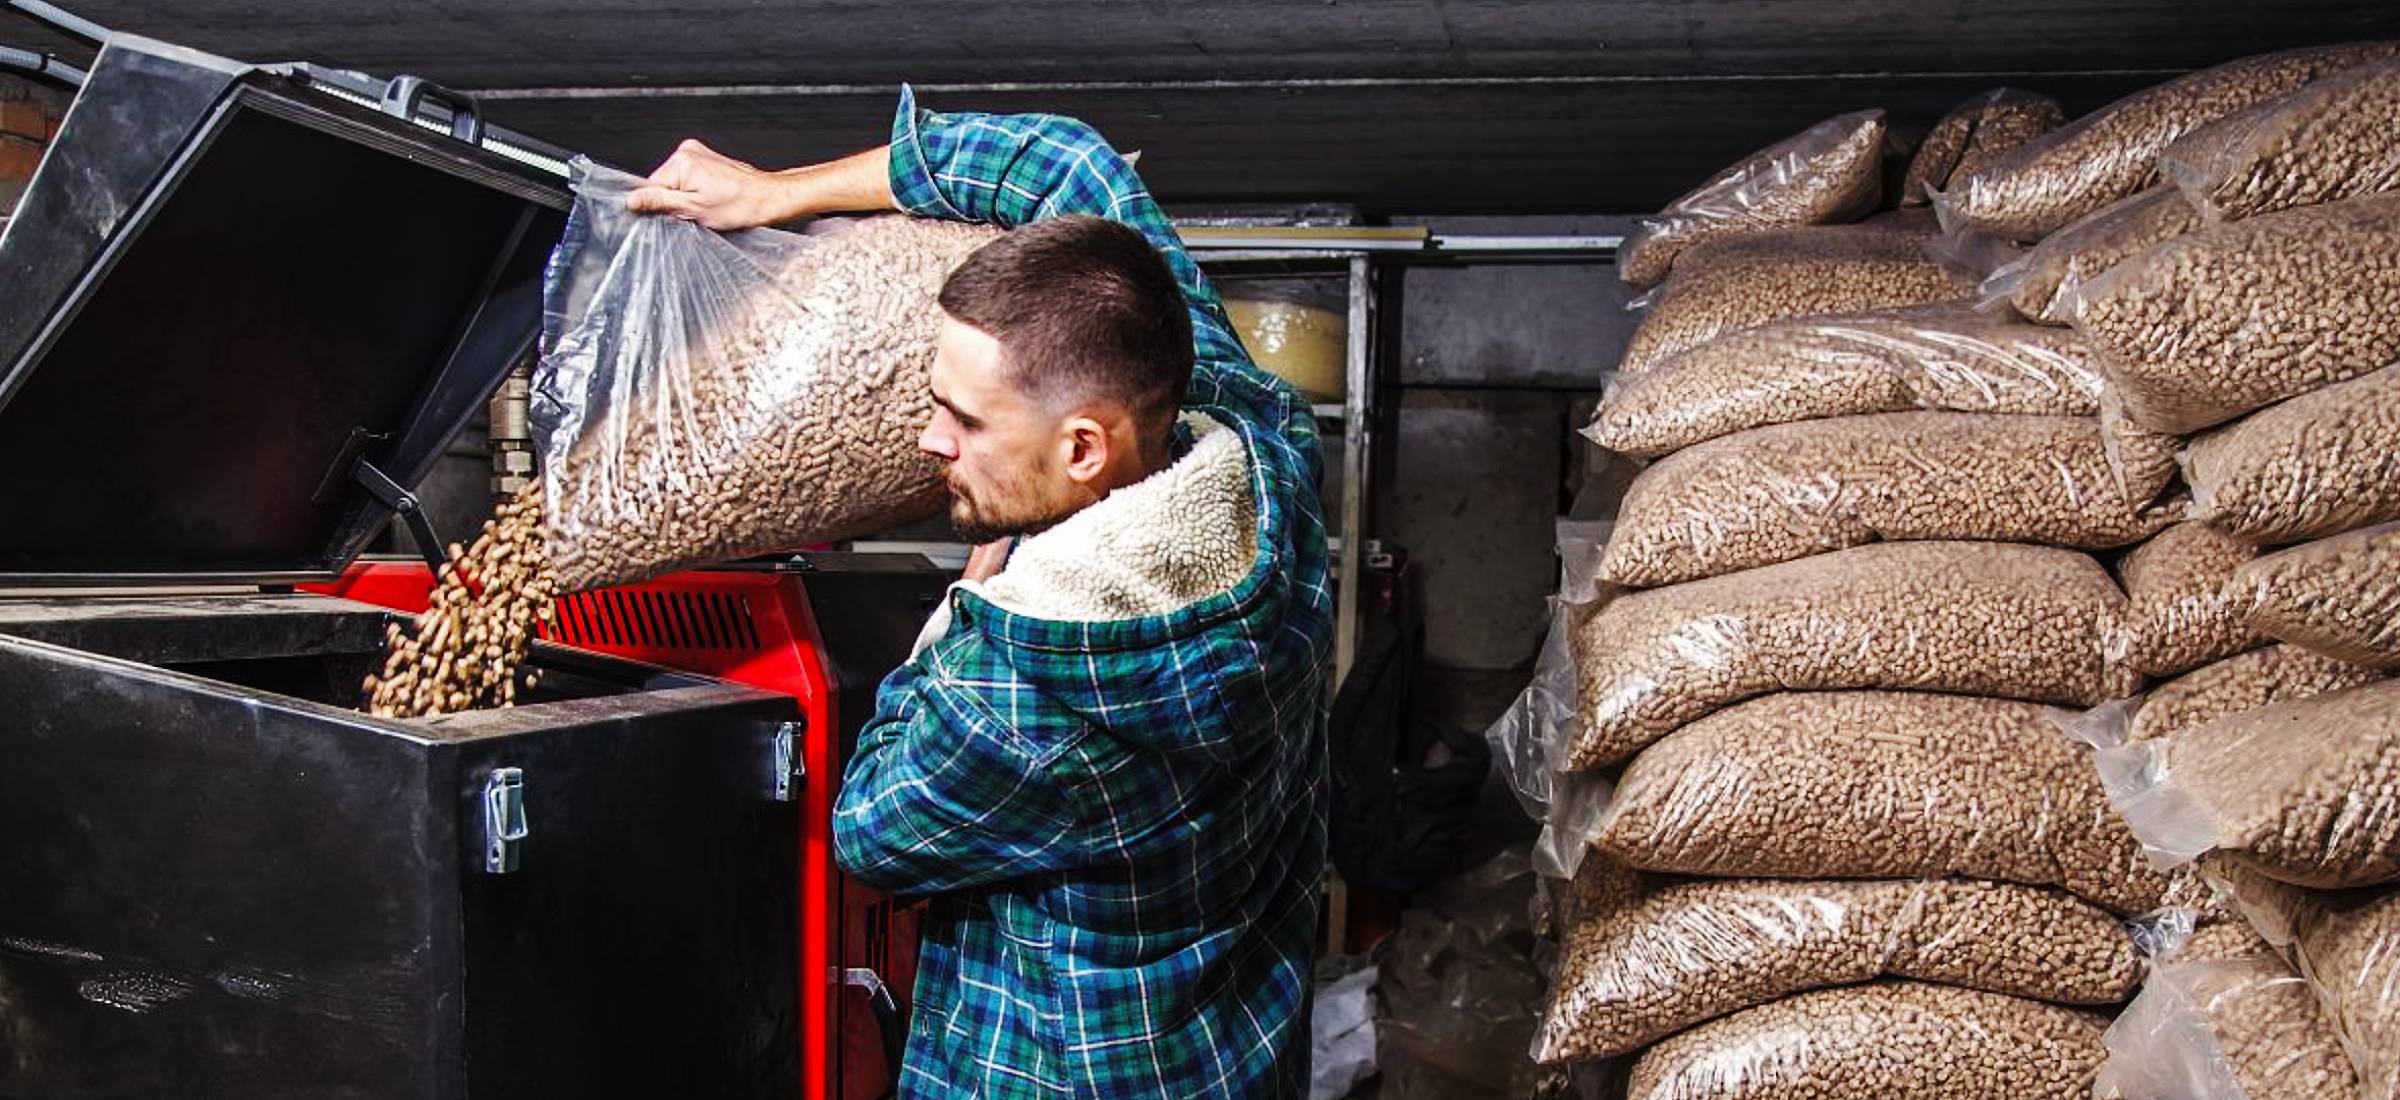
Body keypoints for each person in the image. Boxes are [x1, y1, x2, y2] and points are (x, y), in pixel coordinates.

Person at [629, 88, 1333, 1099]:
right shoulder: (1259, 443)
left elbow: (870, 822)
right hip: (1233, 1052)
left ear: (1084, 446)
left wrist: (972, 595)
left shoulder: (1025, 699)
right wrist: (772, 193)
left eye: (964, 420)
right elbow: (1065, 160)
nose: (929, 442)